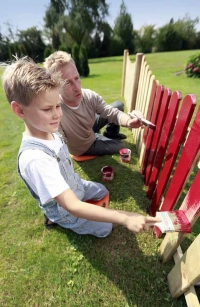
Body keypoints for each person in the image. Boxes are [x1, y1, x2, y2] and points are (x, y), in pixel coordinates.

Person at [2, 57, 160, 238]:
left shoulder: (50, 129)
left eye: (58, 106)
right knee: (105, 228)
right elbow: (73, 206)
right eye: (47, 109)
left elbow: (110, 112)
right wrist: (124, 217)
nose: (57, 115)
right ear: (20, 110)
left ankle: (73, 194)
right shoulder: (35, 159)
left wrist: (129, 120)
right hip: (65, 207)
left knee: (102, 190)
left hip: (74, 184)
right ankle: (54, 217)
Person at [43, 51, 144, 156]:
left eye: (77, 78)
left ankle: (110, 134)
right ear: (56, 87)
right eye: (68, 82)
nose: (77, 87)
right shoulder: (56, 112)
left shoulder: (88, 96)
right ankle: (100, 138)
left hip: (89, 129)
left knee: (118, 105)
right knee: (121, 146)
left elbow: (111, 112)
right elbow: (59, 144)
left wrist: (129, 121)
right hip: (83, 146)